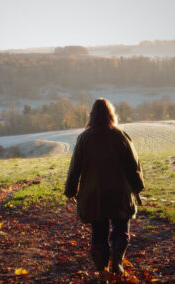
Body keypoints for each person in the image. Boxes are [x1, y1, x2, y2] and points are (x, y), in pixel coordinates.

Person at [64, 98, 144, 275]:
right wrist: (138, 187)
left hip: (94, 195)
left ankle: (102, 269)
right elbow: (133, 165)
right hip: (120, 193)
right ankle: (117, 262)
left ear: (91, 116)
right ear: (111, 114)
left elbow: (74, 168)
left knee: (98, 231)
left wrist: (70, 190)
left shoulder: (84, 139)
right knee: (121, 227)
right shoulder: (120, 136)